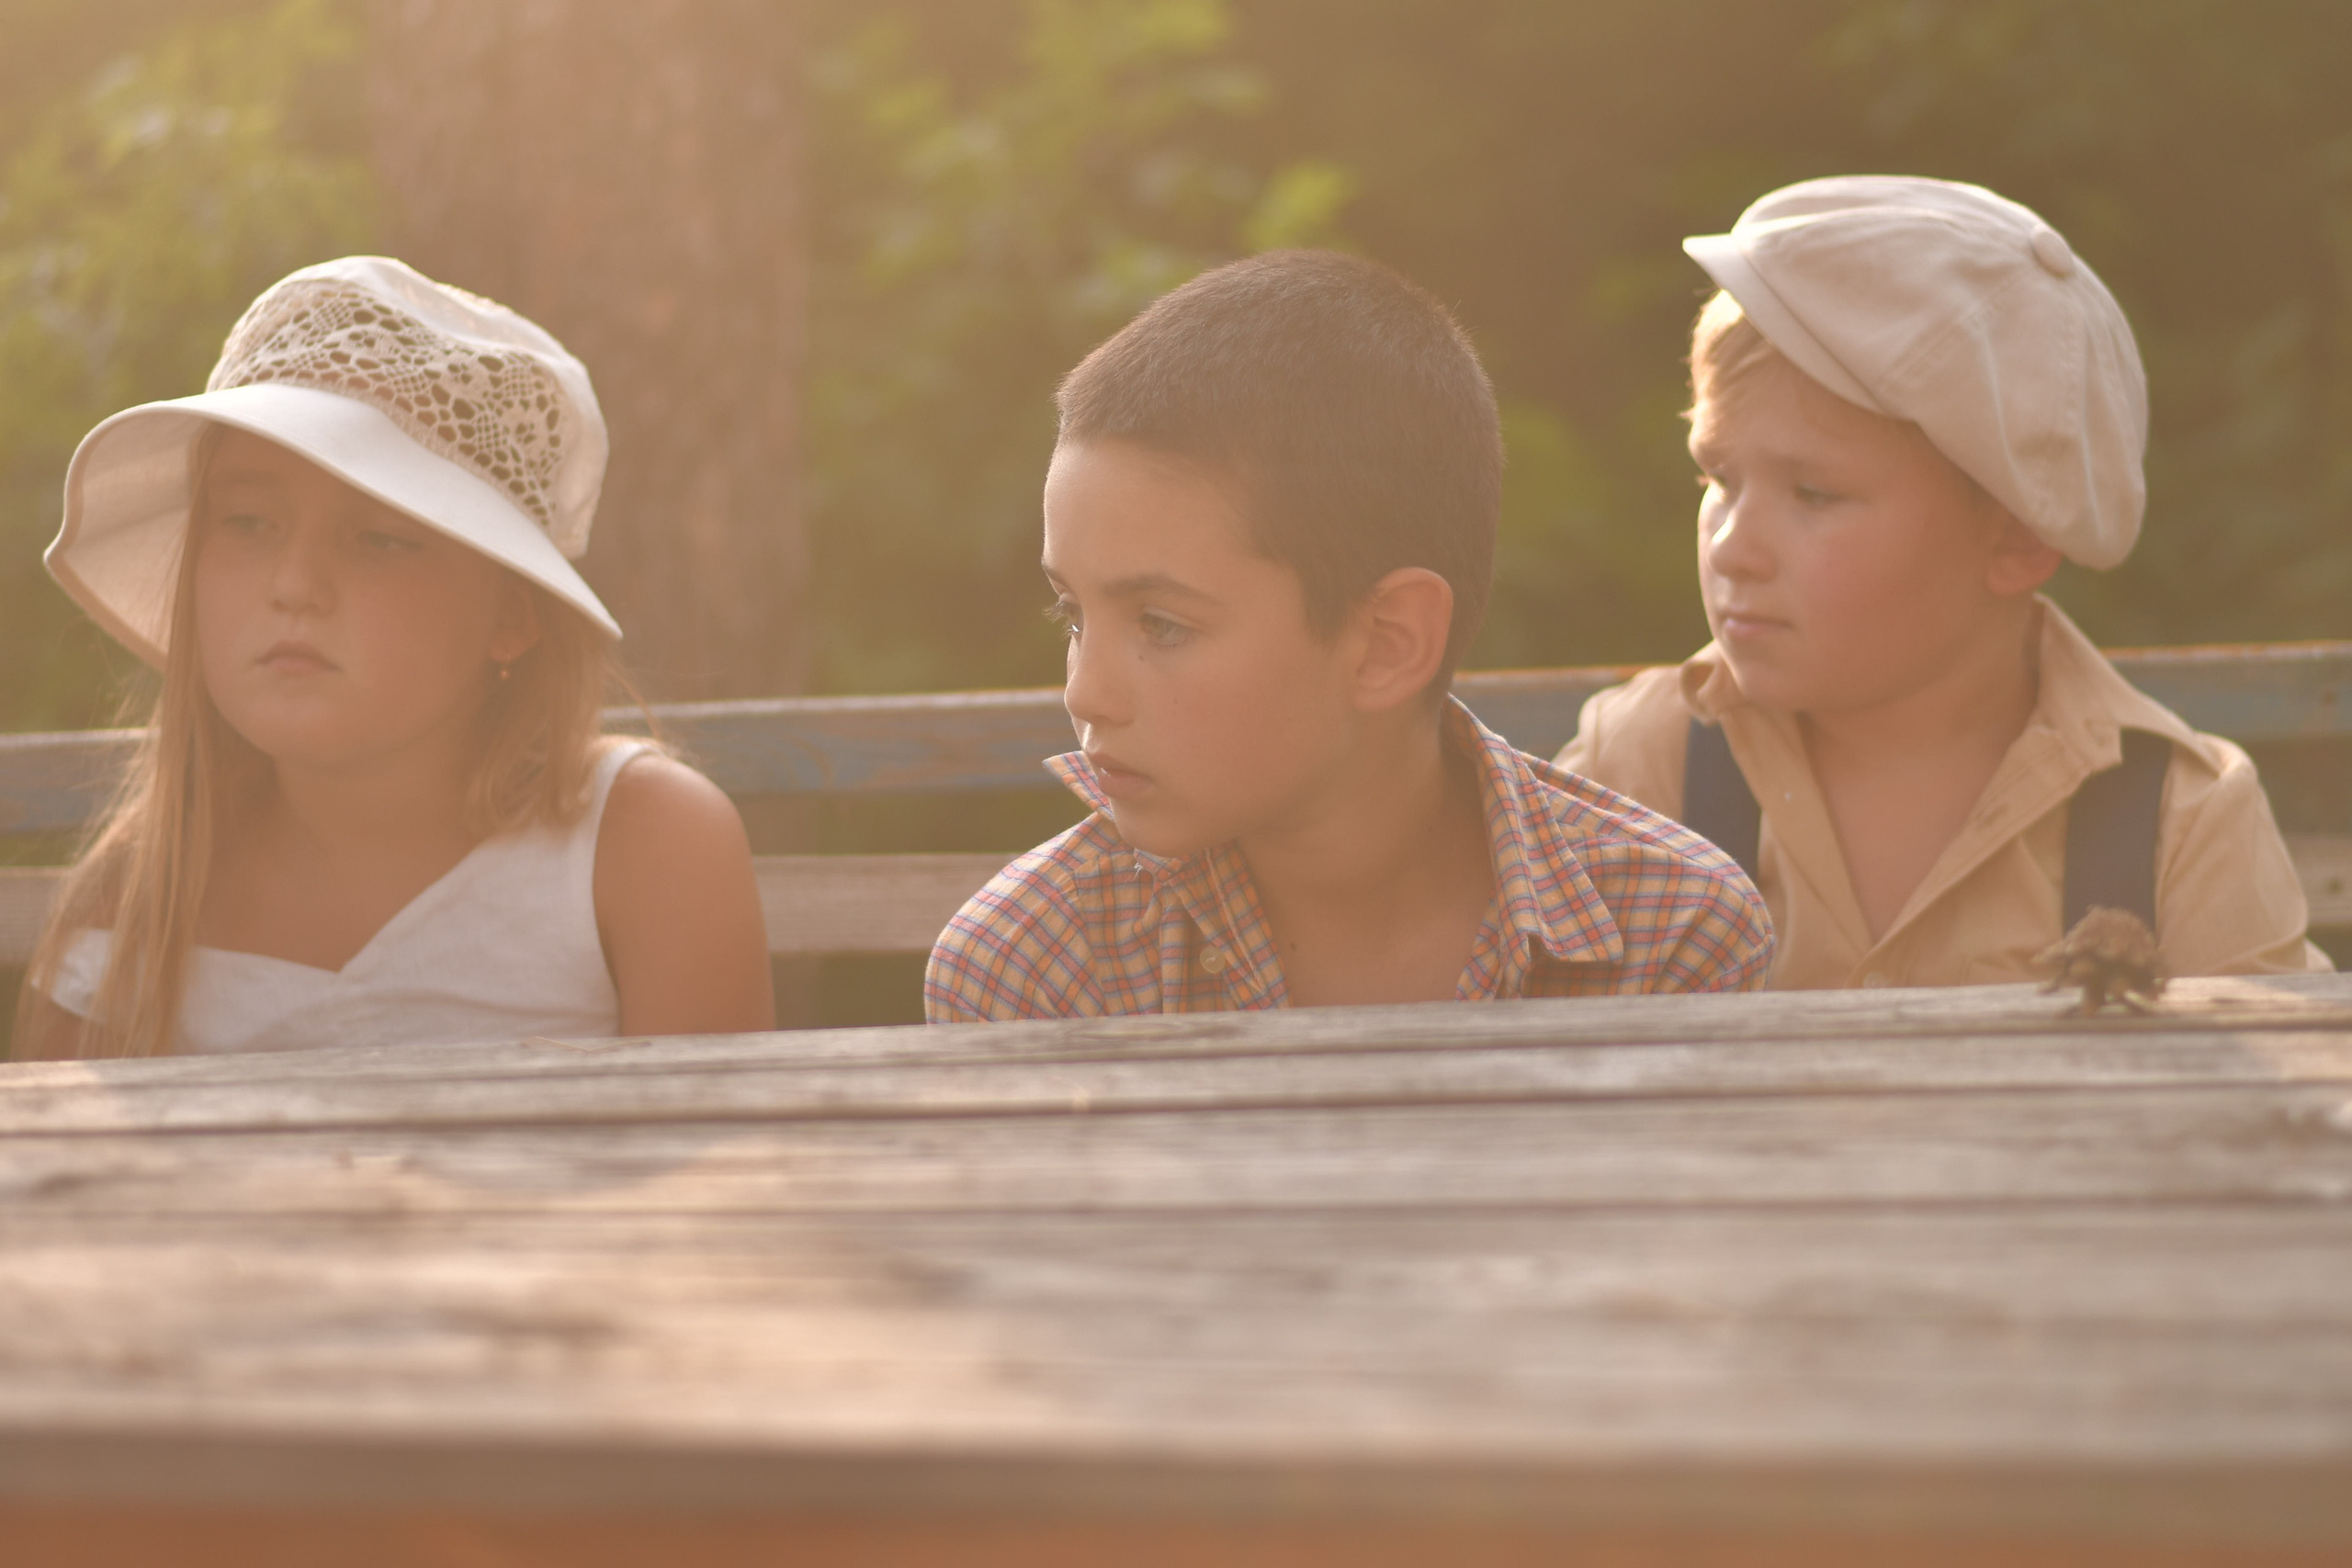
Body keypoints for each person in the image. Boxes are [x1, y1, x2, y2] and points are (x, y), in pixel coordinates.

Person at [925, 250, 1773, 1021]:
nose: (1085, 692)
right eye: (1073, 615)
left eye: (1161, 624)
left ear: (1387, 643)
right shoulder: (1033, 967)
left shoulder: (1671, 934)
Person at [1560, 175, 2331, 988]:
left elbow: (2268, 1066)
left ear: (2018, 539)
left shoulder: (2178, 825)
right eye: (1719, 477)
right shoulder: (1637, 773)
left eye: (1813, 494)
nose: (1731, 546)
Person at [16, 257, 775, 1059]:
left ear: (513, 613)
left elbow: (721, 1136)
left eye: (379, 538)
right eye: (248, 521)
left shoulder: (638, 847)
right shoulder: (136, 897)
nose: (295, 584)